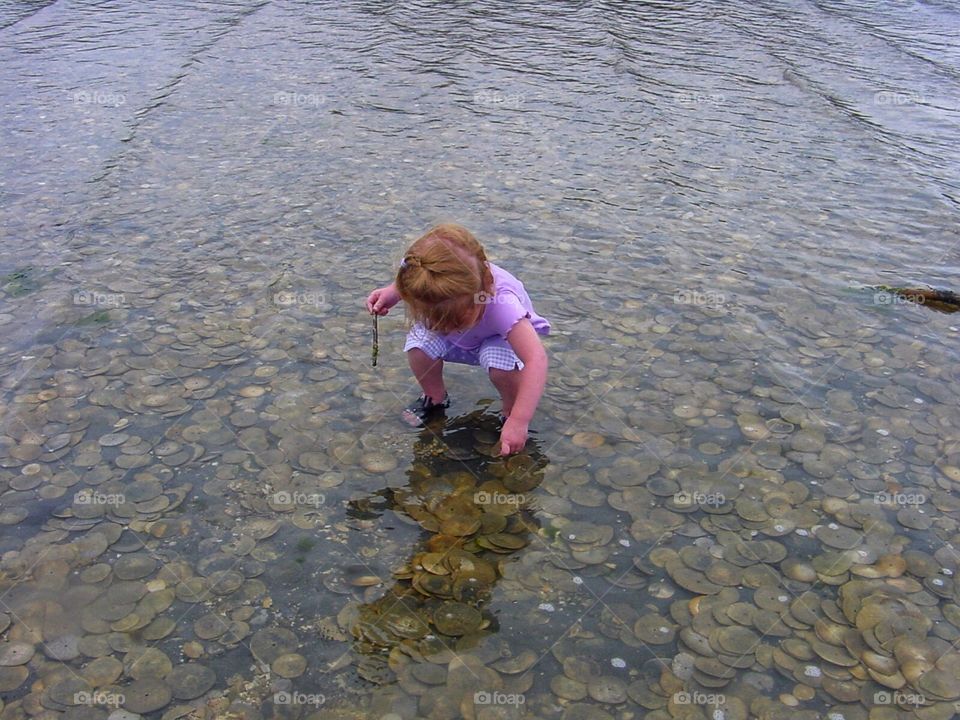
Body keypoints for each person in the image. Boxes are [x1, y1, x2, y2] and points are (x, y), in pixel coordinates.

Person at [365, 223, 550, 455]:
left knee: (500, 364)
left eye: (454, 318)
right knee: (419, 344)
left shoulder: (503, 305)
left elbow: (536, 359)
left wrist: (521, 420)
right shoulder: (428, 280)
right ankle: (434, 398)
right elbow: (417, 281)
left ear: (484, 288)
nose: (444, 325)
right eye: (433, 316)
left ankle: (510, 415)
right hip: (458, 340)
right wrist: (394, 293)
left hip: (496, 339)